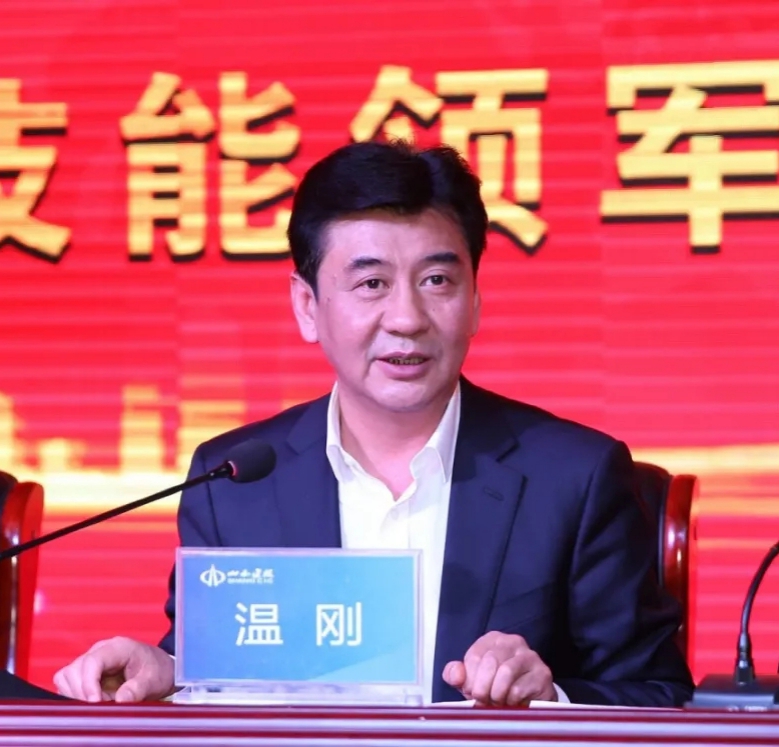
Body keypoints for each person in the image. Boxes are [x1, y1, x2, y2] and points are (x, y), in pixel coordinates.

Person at [53, 140, 694, 707]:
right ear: (307, 306)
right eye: (371, 284)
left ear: (475, 299)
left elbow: (656, 695)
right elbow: (224, 666)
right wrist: (168, 673)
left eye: (436, 279)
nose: (407, 318)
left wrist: (548, 697)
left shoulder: (574, 478)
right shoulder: (235, 480)